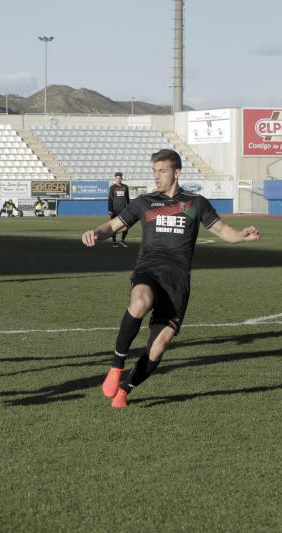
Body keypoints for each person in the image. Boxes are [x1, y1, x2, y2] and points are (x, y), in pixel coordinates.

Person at [82, 149, 261, 409]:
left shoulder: (195, 203)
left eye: (161, 171)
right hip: (149, 271)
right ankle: (116, 366)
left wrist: (242, 235)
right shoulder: (145, 202)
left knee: (159, 347)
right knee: (140, 301)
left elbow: (223, 231)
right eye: (154, 171)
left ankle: (125, 388)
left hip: (177, 283)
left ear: (176, 172)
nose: (156, 176)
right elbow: (113, 226)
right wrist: (95, 233)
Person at [108, 172, 131, 247]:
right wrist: (110, 210)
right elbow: (110, 199)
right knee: (114, 226)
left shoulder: (125, 187)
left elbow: (127, 198)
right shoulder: (112, 187)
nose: (118, 179)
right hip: (115, 210)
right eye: (117, 178)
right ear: (115, 179)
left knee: (125, 225)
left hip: (124, 210)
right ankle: (114, 242)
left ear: (121, 179)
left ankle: (122, 241)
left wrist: (129, 207)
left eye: (119, 178)